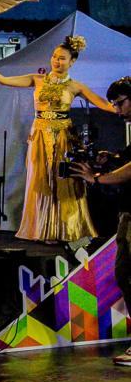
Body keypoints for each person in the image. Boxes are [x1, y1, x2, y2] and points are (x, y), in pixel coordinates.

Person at [0, 36, 117, 242]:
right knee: (40, 179)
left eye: (62, 58)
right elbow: (4, 80)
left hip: (63, 136)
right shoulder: (37, 79)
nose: (56, 61)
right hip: (39, 135)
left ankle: (65, 229)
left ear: (72, 61)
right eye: (54, 57)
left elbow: (106, 104)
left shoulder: (76, 86)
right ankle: (43, 229)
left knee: (63, 180)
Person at [71, 76, 131, 367]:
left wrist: (97, 179)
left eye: (120, 104)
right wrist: (112, 158)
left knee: (127, 275)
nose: (117, 111)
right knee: (124, 275)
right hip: (127, 213)